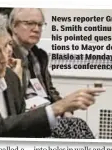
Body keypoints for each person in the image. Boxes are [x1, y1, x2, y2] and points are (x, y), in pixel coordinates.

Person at [0, 9, 105, 137]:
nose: (5, 58)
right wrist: (57, 108)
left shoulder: (10, 76)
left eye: (8, 46)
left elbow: (20, 127)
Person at [8, 8, 100, 138]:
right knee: (76, 126)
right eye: (29, 23)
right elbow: (11, 98)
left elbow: (50, 91)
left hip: (47, 111)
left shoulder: (39, 55)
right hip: (26, 117)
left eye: (40, 25)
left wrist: (65, 112)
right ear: (13, 26)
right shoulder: (6, 54)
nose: (36, 29)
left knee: (76, 124)